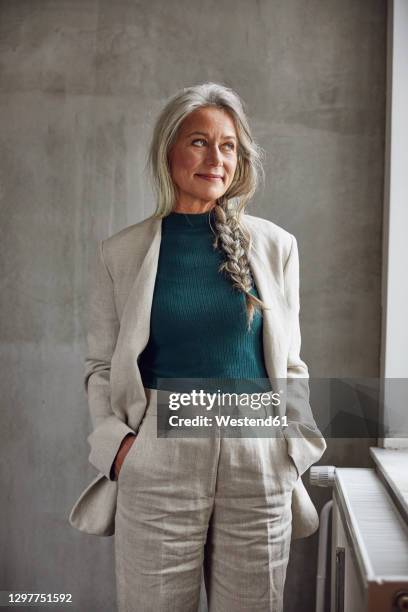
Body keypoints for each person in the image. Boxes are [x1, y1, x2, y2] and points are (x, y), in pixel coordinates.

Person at [74, 82, 327, 612]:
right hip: (158, 454)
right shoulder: (120, 253)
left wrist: (292, 449)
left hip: (257, 450)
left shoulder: (277, 247)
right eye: (198, 142)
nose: (216, 158)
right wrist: (120, 451)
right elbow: (101, 367)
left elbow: (291, 362)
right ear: (168, 152)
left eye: (228, 145)